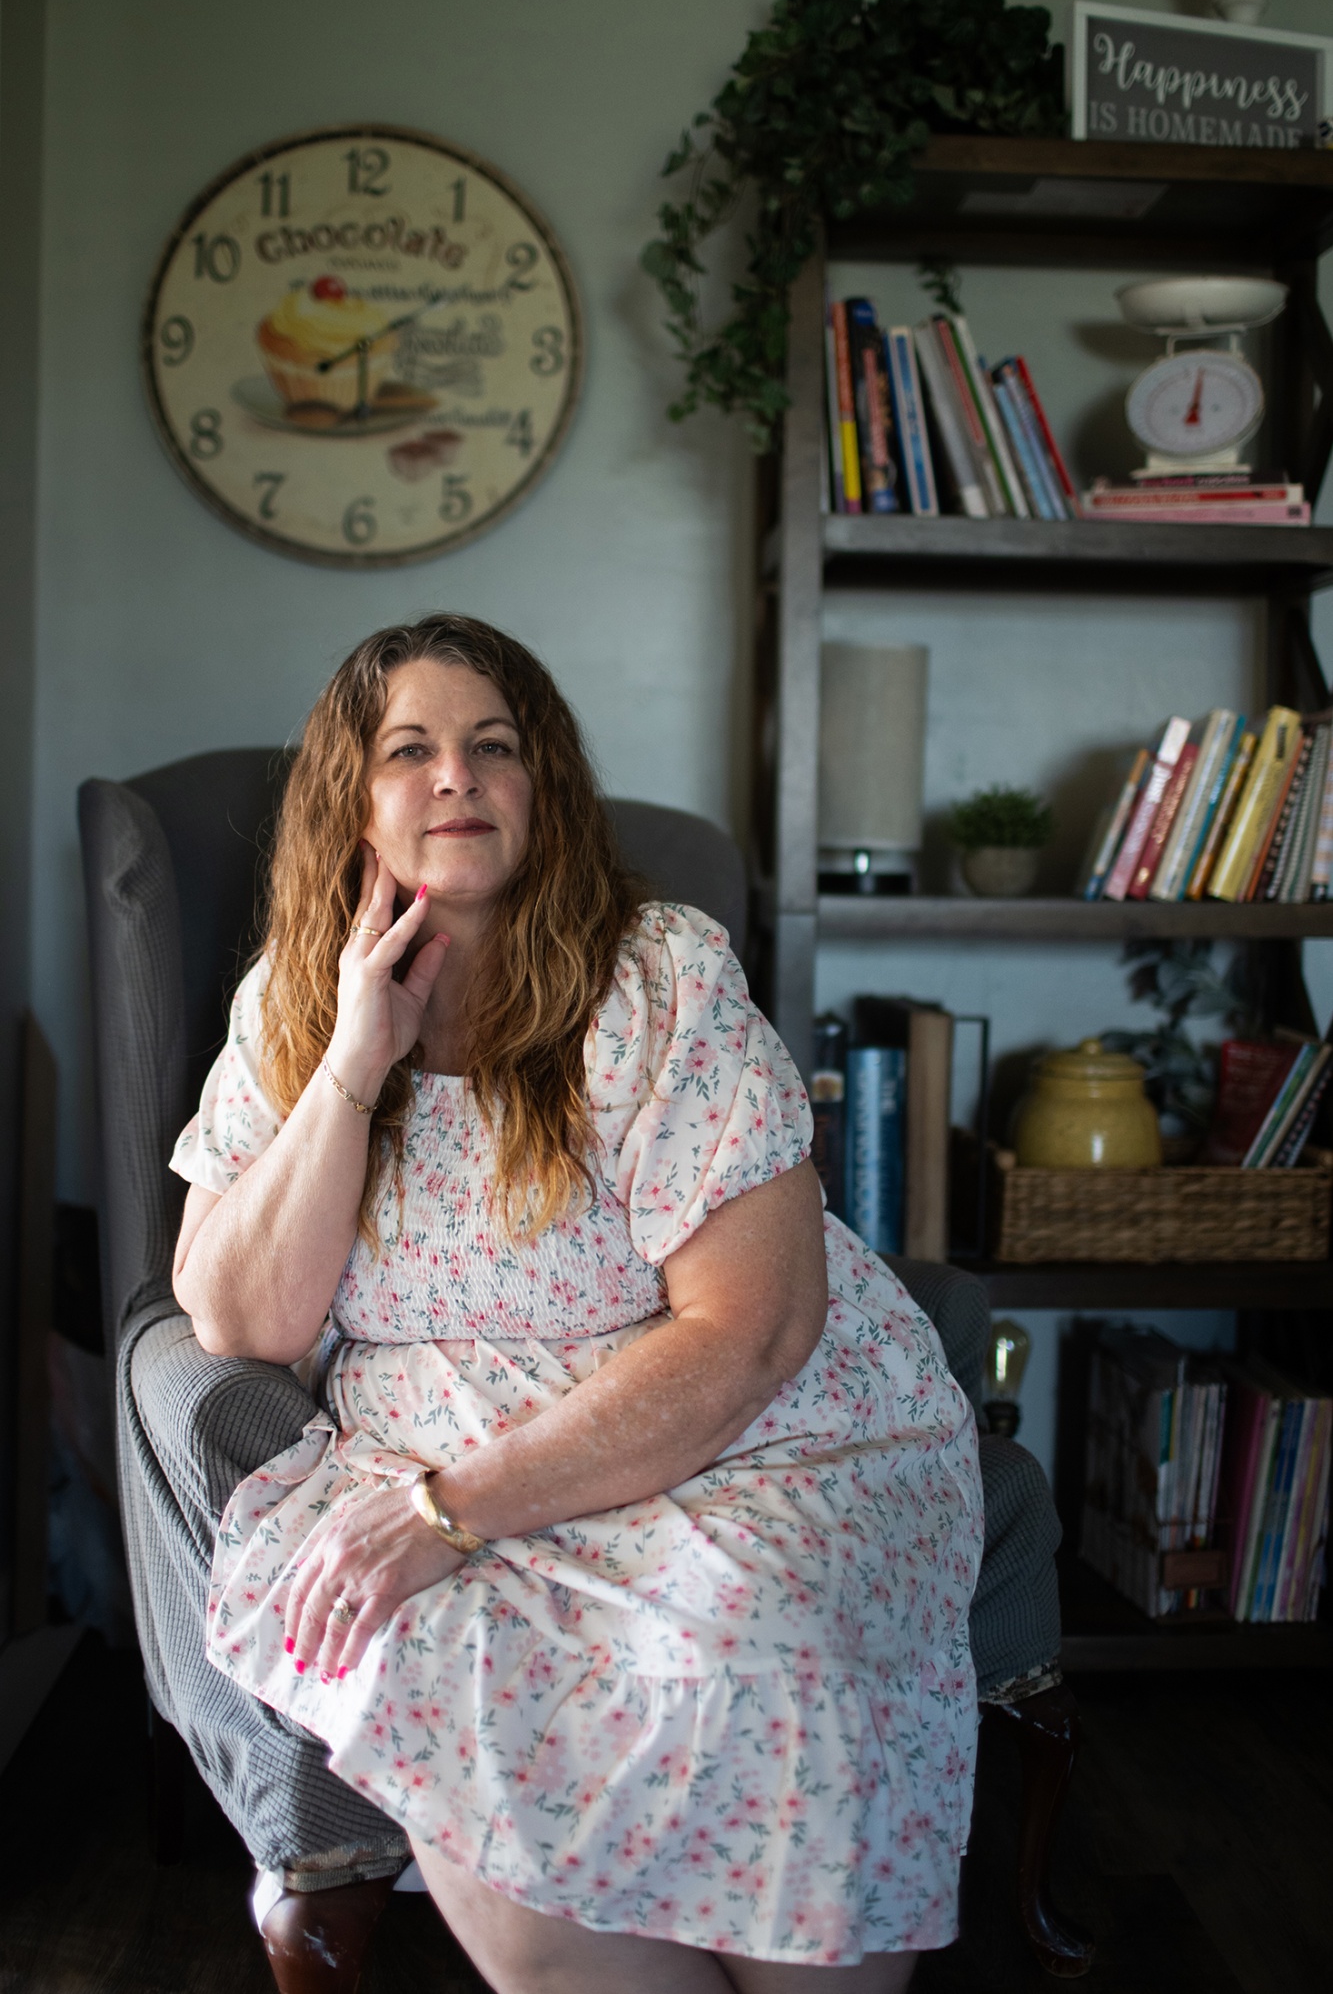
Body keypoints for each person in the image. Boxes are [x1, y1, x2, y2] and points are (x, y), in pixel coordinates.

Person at [170, 614, 982, 1993]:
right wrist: (355, 1066)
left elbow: (751, 1329)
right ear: (351, 799)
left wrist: (451, 1512)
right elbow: (240, 1319)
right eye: (409, 750)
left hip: (743, 1435)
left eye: (494, 747)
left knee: (752, 1621)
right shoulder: (294, 1003)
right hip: (434, 1442)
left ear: (540, 786)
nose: (454, 778)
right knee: (441, 1657)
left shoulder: (657, 972)